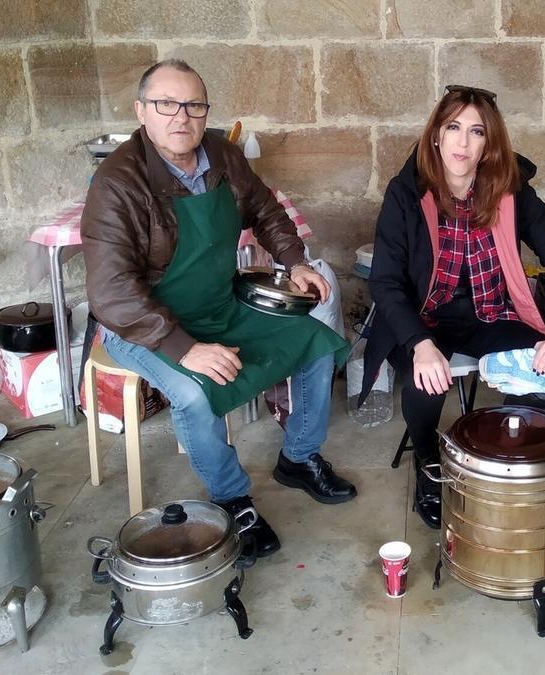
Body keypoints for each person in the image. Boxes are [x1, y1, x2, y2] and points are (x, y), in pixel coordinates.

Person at [81, 59, 356, 564]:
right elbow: (112, 291)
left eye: (193, 105)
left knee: (316, 342)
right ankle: (231, 497)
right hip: (143, 325)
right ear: (142, 111)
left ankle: (298, 457)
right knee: (193, 394)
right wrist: (183, 348)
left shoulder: (223, 157)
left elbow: (266, 210)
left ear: (206, 113)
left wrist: (294, 261)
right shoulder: (117, 183)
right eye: (165, 104)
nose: (180, 117)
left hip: (218, 303)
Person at [362, 85, 545, 565]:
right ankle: (429, 460)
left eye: (476, 132)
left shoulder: (509, 189)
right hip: (423, 318)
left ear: (489, 143)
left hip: (489, 314)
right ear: (436, 135)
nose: (463, 142)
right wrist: (418, 343)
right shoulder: (406, 192)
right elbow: (386, 282)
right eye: (453, 127)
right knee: (426, 382)